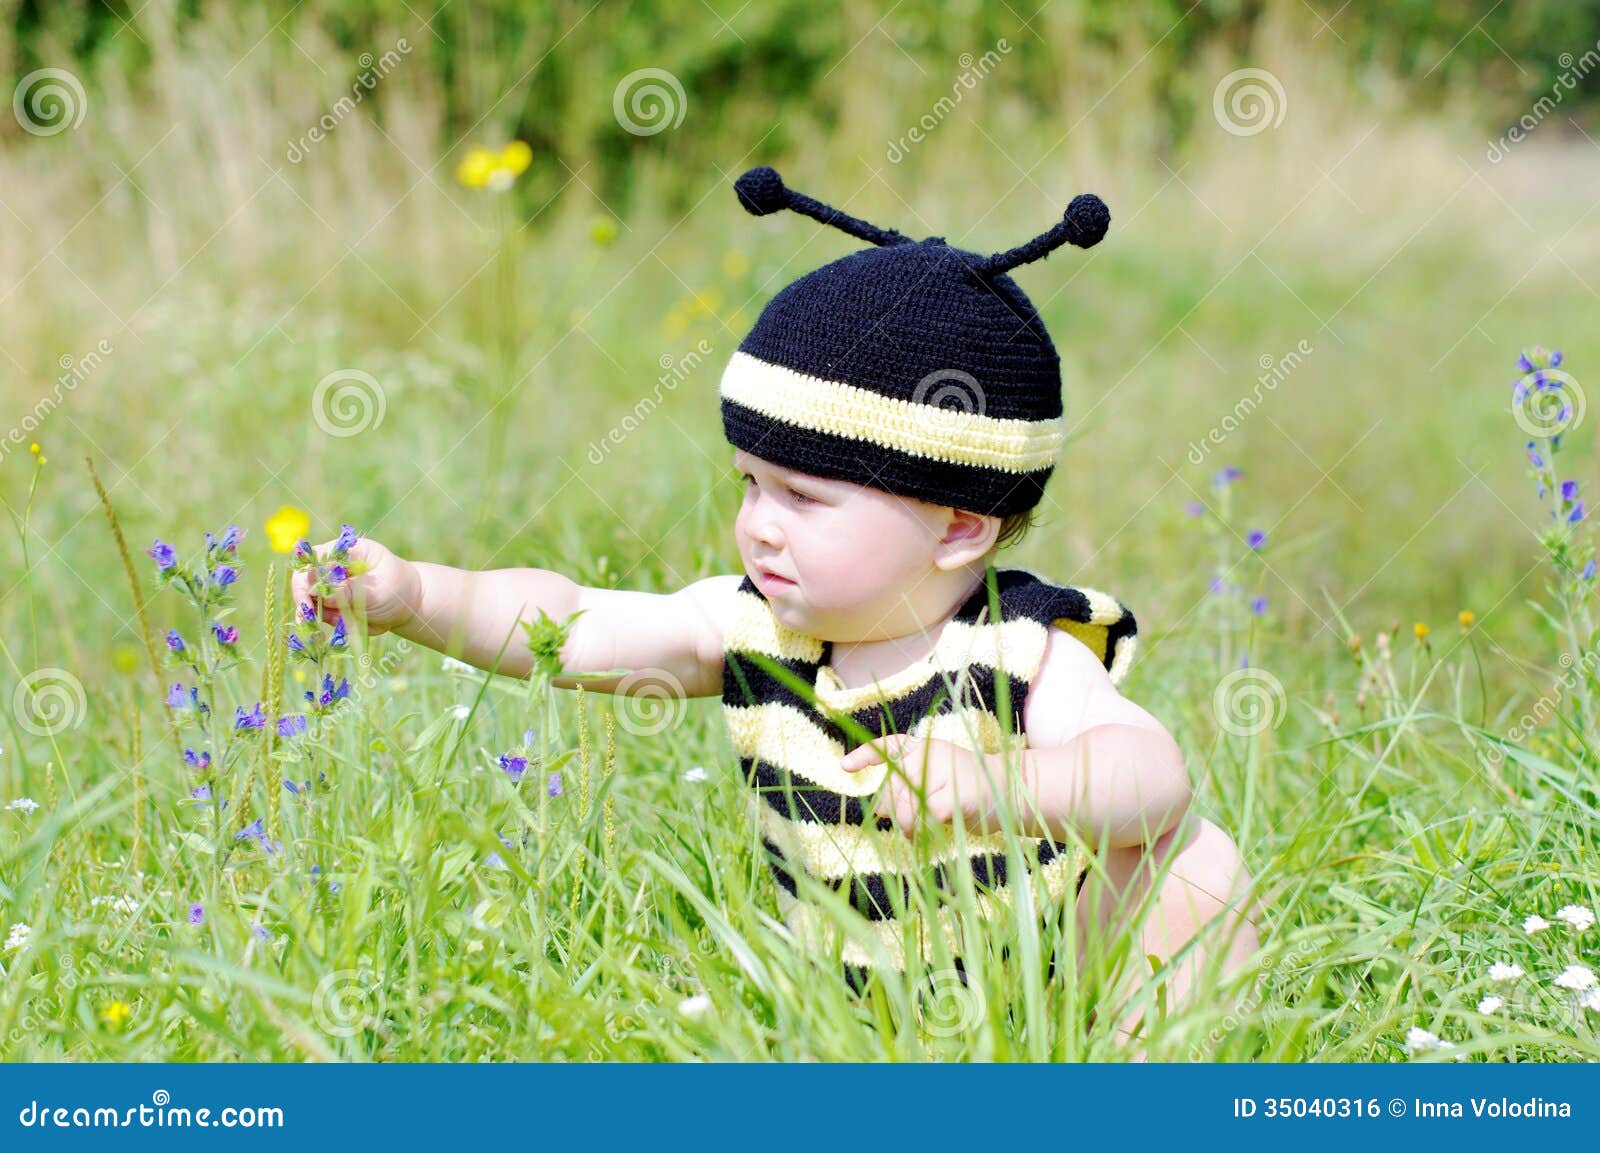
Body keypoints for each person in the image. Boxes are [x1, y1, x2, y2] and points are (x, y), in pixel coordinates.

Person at [293, 166, 1260, 1050]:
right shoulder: (750, 625)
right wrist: (416, 597)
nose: (759, 525)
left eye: (804, 498)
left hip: (1029, 976)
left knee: (1191, 856)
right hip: (841, 998)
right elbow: (570, 621)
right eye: (749, 483)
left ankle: (1153, 1078)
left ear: (961, 527)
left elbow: (1150, 776)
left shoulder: (1023, 649)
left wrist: (994, 785)